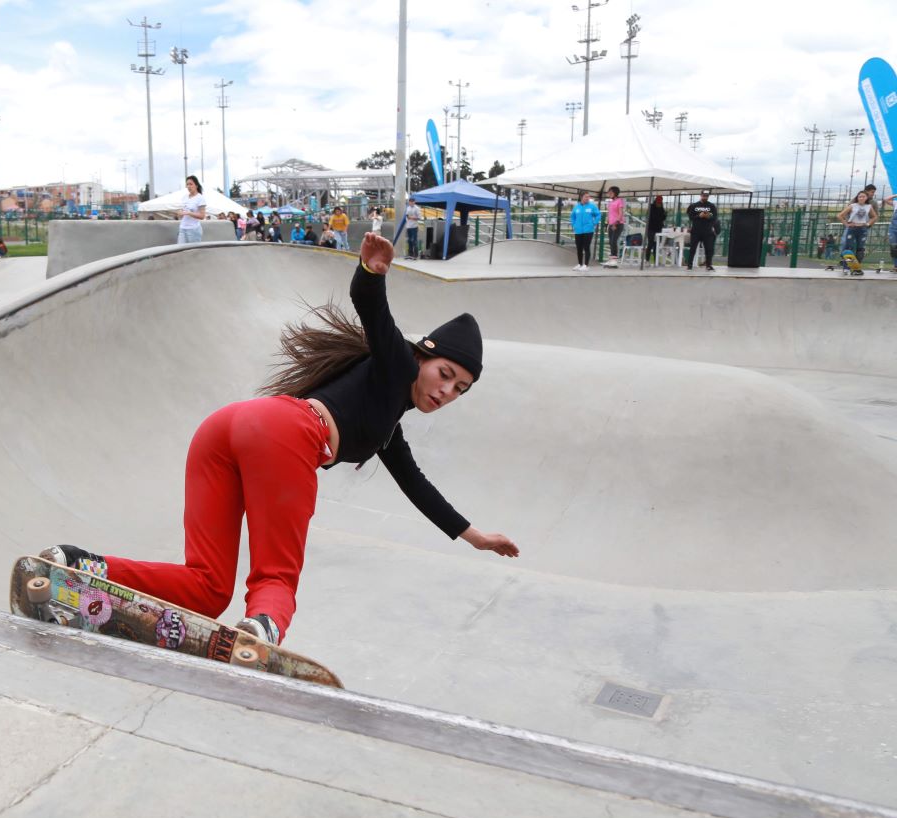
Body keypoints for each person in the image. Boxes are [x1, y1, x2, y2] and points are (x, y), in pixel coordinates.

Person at [40, 232, 518, 645]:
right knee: (275, 576)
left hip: (225, 428)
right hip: (285, 435)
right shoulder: (395, 364)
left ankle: (81, 567)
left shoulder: (388, 424)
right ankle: (262, 629)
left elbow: (416, 484)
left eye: (461, 389)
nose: (447, 391)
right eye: (445, 374)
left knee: (206, 588)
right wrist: (371, 273)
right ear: (422, 357)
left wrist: (474, 536)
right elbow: (374, 313)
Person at [683, 190, 720, 271]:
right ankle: (689, 265)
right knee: (693, 248)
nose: (705, 197)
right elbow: (691, 217)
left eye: (706, 196)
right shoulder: (694, 205)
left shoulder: (711, 206)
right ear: (700, 195)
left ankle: (708, 265)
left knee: (709, 248)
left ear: (708, 196)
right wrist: (699, 216)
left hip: (707, 231)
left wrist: (708, 216)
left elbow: (715, 218)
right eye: (703, 195)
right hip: (696, 231)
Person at [837, 191, 875, 263]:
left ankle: (857, 265)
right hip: (853, 228)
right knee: (849, 246)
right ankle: (847, 263)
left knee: (860, 248)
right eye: (860, 196)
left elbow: (874, 216)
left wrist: (868, 224)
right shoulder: (853, 206)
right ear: (857, 198)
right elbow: (839, 215)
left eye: (863, 197)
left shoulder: (869, 207)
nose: (861, 198)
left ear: (866, 198)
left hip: (863, 228)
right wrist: (846, 224)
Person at [570, 191, 601, 271]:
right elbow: (572, 217)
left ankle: (586, 265)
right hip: (578, 231)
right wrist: (574, 225)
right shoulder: (576, 207)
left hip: (588, 230)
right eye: (586, 196)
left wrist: (594, 223)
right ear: (581, 197)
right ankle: (580, 264)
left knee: (586, 247)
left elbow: (598, 215)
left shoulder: (592, 206)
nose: (588, 198)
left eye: (588, 197)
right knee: (579, 248)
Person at [177, 175, 207, 244]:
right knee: (180, 250)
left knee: (193, 252)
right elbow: (182, 213)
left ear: (196, 185)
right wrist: (180, 213)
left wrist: (189, 213)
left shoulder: (200, 198)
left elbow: (202, 216)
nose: (189, 186)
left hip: (193, 229)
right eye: (187, 184)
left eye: (191, 184)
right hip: (182, 228)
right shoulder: (184, 197)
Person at [605, 186, 626, 261]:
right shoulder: (610, 202)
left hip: (618, 224)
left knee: (614, 240)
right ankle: (612, 256)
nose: (609, 194)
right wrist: (607, 222)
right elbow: (610, 213)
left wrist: (615, 223)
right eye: (609, 192)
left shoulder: (619, 201)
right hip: (611, 224)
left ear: (615, 193)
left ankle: (614, 256)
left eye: (611, 192)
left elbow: (620, 213)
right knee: (611, 241)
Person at [645, 195, 666, 263]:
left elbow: (662, 218)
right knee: (650, 244)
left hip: (658, 228)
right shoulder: (651, 207)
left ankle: (656, 260)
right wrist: (660, 217)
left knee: (656, 245)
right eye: (658, 201)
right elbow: (651, 217)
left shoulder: (661, 208)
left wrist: (664, 215)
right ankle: (647, 259)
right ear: (655, 201)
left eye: (660, 201)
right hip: (651, 228)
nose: (659, 203)